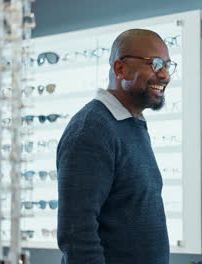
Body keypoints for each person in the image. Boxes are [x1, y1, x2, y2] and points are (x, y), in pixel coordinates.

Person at [57, 29, 177, 264]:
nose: (164, 75)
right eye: (154, 64)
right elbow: (76, 234)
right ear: (120, 69)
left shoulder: (132, 123)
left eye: (168, 65)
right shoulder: (91, 130)